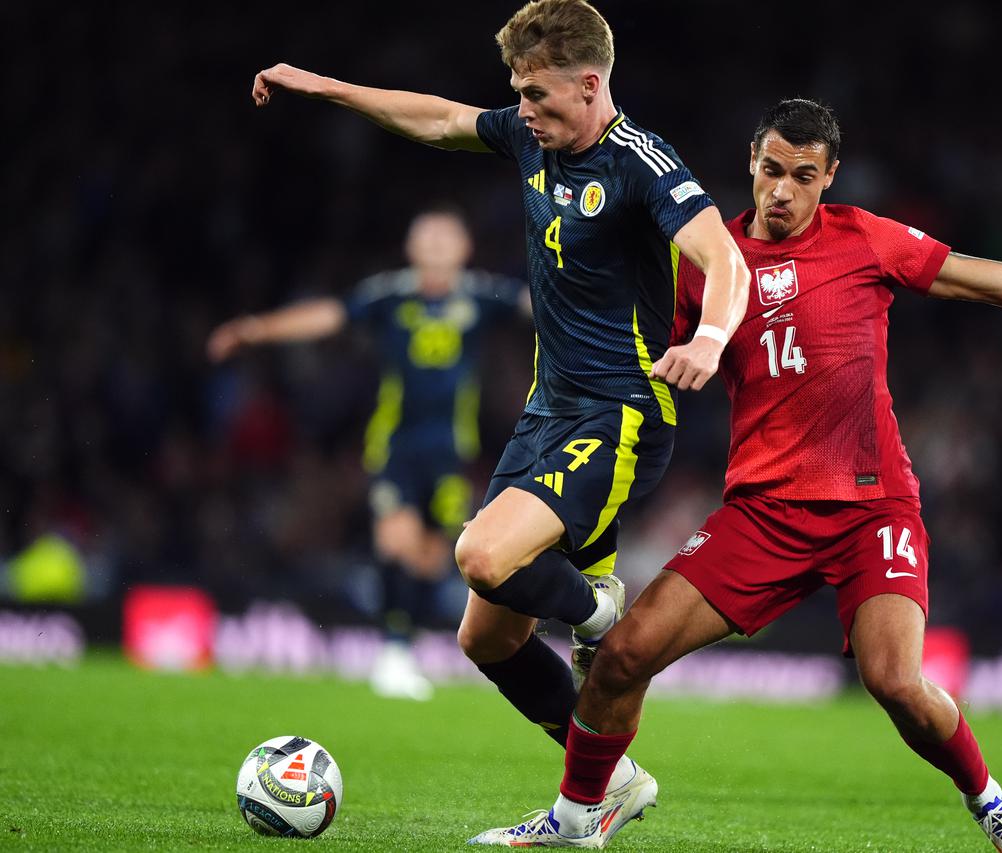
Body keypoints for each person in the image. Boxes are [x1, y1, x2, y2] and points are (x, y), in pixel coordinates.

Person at [468, 99, 1002, 849]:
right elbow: (636, 368)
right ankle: (575, 823)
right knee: (624, 655)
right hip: (763, 513)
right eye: (771, 170)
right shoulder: (707, 266)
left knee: (895, 681)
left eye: (803, 175)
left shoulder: (866, 240)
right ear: (751, 162)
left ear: (829, 175)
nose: (781, 190)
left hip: (874, 510)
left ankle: (991, 801)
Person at [249, 0, 750, 831]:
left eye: (540, 95)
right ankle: (610, 779)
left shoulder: (641, 163)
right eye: (517, 92)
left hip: (620, 413)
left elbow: (721, 256)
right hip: (546, 412)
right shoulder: (528, 134)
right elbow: (439, 118)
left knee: (481, 552)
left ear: (591, 85)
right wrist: (319, 85)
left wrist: (710, 336)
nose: (524, 111)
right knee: (485, 639)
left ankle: (598, 611)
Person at [208, 209, 524, 701]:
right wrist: (256, 329)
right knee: (395, 539)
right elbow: (328, 315)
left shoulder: (483, 296)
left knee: (429, 556)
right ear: (412, 247)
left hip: (451, 451)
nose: (438, 245)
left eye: (447, 237)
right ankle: (393, 652)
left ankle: (404, 647)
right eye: (428, 237)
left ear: (464, 248)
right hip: (395, 445)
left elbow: (545, 304)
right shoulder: (390, 295)